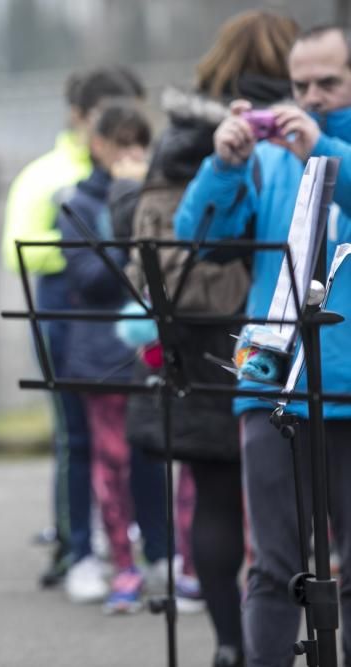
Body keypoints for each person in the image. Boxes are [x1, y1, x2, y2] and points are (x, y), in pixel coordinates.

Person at [120, 11, 298, 666]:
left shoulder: (179, 138)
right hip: (277, 334)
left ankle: (229, 643)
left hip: (196, 340)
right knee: (300, 501)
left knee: (215, 495)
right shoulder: (294, 129)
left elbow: (157, 255)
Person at [176, 24, 351, 667]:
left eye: (329, 83)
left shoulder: (319, 146)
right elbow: (201, 238)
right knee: (273, 569)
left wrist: (326, 150)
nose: (313, 96)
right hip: (272, 378)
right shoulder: (272, 156)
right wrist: (222, 166)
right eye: (301, 85)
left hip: (347, 382)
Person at [0, 66, 147, 593]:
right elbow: (18, 249)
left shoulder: (136, 168)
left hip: (129, 321)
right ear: (81, 118)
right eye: (107, 119)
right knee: (77, 439)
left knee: (140, 438)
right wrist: (89, 258)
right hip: (67, 319)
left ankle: (139, 541)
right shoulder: (46, 175)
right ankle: (75, 545)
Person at [56, 98, 169, 615]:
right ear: (97, 146)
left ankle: (165, 556)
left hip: (154, 348)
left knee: (157, 455)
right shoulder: (77, 204)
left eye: (138, 145)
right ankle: (121, 563)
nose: (130, 155)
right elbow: (91, 279)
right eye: (120, 144)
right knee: (112, 461)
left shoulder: (161, 197)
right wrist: (127, 221)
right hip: (102, 352)